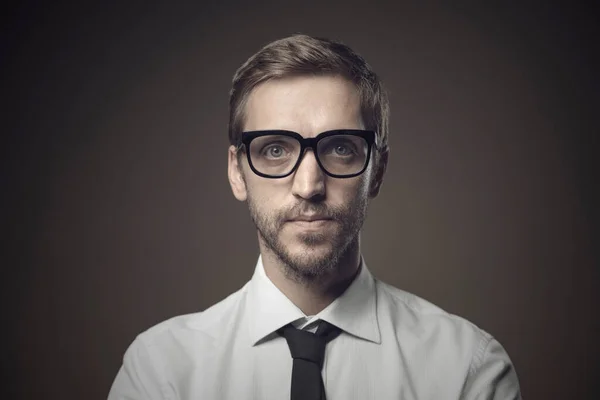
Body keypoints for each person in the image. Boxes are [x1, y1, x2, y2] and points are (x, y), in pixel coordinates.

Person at [108, 34, 521, 400]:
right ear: (237, 172)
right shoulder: (161, 373)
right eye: (274, 149)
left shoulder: (467, 371)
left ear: (377, 171)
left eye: (340, 148)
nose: (308, 185)